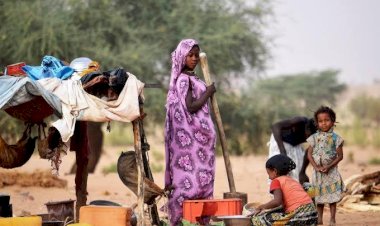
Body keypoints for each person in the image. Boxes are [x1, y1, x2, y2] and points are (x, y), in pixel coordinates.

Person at [164, 39, 216, 225]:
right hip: (190, 143)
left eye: (196, 55)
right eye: (190, 55)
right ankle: (181, 219)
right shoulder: (184, 80)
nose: (194, 59)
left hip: (201, 143)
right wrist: (208, 92)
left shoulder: (193, 78)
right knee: (188, 181)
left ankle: (200, 219)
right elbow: (191, 107)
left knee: (201, 180)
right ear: (181, 56)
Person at [249, 154, 318, 225]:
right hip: (313, 216)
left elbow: (277, 202)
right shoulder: (292, 180)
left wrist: (261, 207)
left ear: (275, 171)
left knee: (257, 220)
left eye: (269, 173)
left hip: (299, 216)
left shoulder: (276, 181)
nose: (269, 177)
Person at [306, 106, 344, 226]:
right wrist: (316, 167)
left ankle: (332, 219)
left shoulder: (336, 138)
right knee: (318, 198)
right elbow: (309, 155)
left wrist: (329, 166)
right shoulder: (314, 138)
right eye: (321, 121)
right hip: (317, 173)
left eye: (326, 120)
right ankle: (319, 219)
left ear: (333, 121)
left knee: (332, 198)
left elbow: (340, 156)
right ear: (317, 123)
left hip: (331, 173)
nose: (324, 123)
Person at [268, 116, 317, 183]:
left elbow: (309, 151)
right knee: (278, 170)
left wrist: (302, 171)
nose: (308, 139)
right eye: (308, 136)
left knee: (296, 176)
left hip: (296, 146)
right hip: (280, 141)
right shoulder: (300, 121)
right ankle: (277, 191)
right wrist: (283, 152)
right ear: (307, 128)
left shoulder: (318, 136)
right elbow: (275, 126)